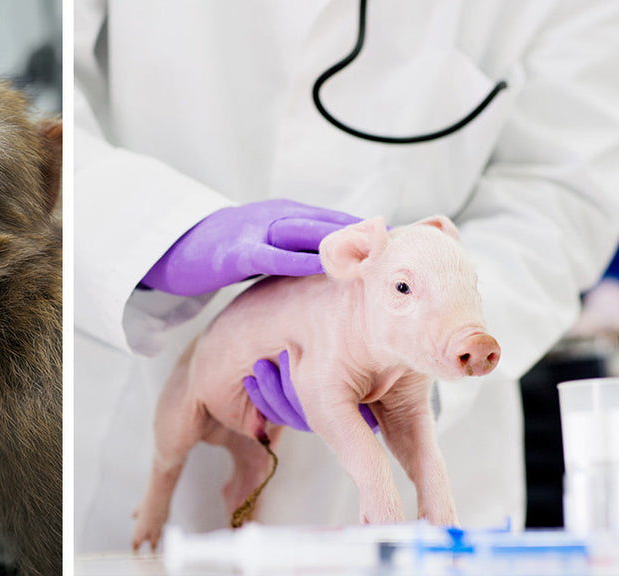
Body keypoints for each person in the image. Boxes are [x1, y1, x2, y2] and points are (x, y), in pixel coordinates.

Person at [74, 0, 619, 552]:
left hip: (445, 441)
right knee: (166, 466)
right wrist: (159, 235)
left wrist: (423, 350)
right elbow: (33, 92)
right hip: (135, 380)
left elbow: (562, 195)